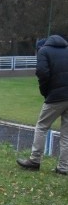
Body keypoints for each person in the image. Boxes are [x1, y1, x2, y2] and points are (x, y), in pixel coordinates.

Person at [17, 34, 68, 175]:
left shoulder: (43, 51)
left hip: (56, 96)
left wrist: (45, 92)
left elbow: (42, 72)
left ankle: (35, 160)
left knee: (42, 126)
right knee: (66, 133)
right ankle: (64, 167)